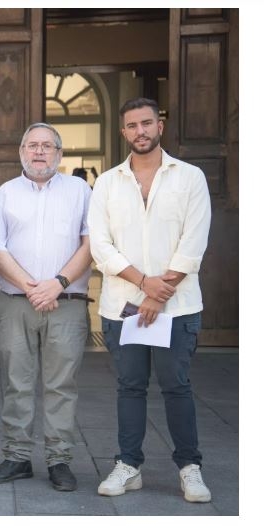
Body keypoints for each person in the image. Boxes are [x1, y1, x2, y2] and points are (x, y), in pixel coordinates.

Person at [88, 97, 212, 503]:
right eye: (131, 125)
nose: (140, 131)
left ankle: (189, 468)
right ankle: (129, 465)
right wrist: (144, 284)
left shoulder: (190, 177)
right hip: (123, 305)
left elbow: (193, 241)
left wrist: (160, 293)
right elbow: (101, 246)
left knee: (177, 387)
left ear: (159, 125)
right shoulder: (107, 183)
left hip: (176, 306)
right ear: (123, 132)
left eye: (146, 123)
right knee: (130, 387)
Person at [0, 123, 93, 492]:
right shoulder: (6, 193)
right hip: (17, 302)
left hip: (67, 303)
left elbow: (92, 243)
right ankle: (17, 457)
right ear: (21, 152)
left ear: (60, 154)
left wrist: (56, 284)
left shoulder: (80, 191)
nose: (40, 151)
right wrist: (30, 286)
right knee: (16, 382)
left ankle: (59, 460)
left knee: (62, 384)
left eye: (48, 146)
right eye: (33, 146)